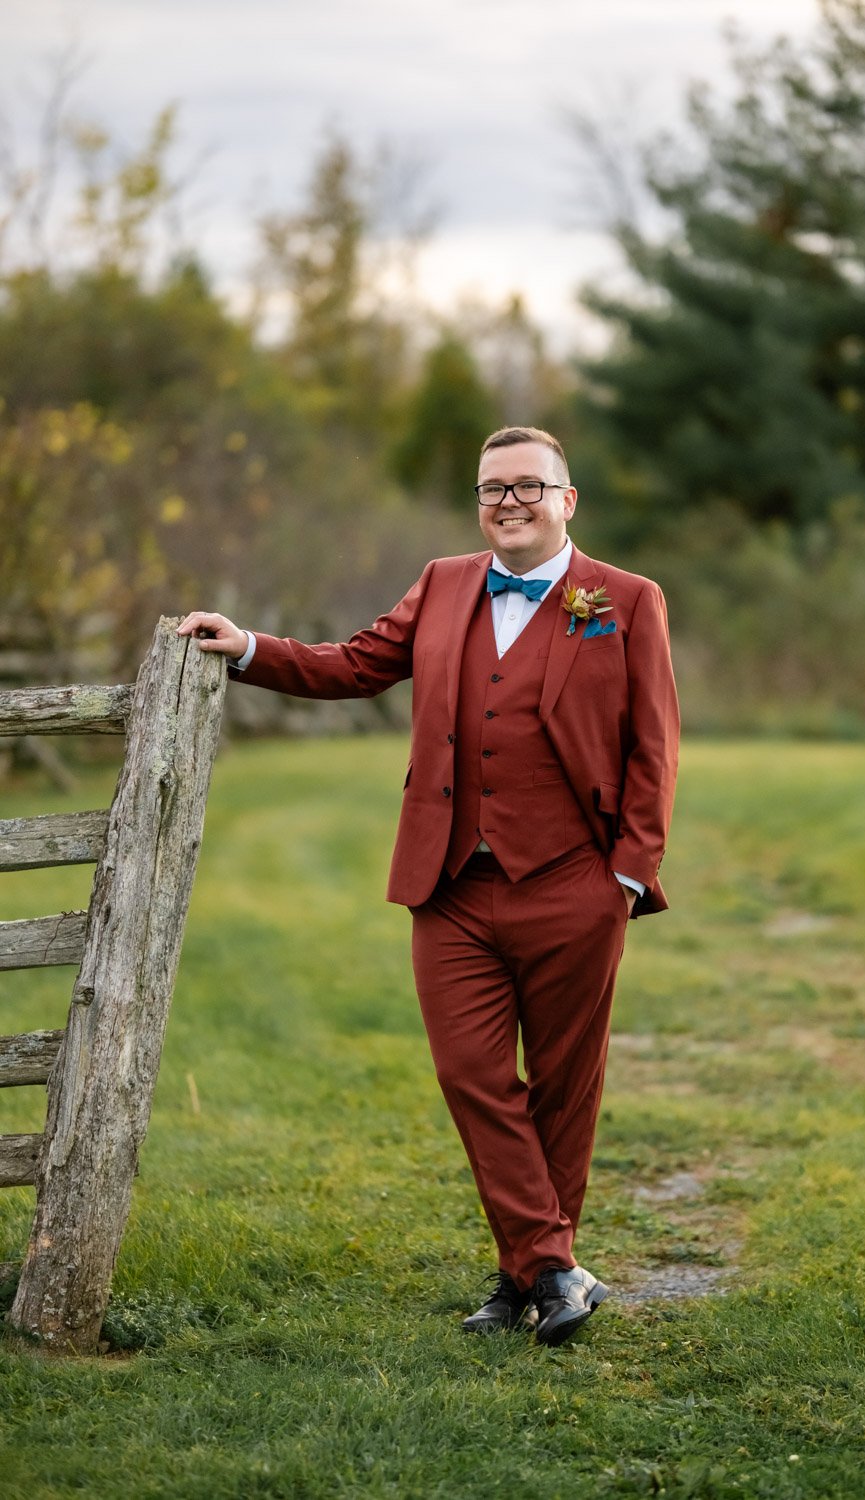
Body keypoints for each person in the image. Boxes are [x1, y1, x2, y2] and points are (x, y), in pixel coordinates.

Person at [177, 425, 679, 1347]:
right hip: (450, 884)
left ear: (569, 501)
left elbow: (654, 747)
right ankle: (556, 1268)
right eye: (493, 489)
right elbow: (357, 664)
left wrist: (626, 874)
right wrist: (248, 646)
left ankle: (524, 1278)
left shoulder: (625, 602)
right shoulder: (444, 582)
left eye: (531, 486)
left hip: (574, 884)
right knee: (473, 1075)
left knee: (564, 1087)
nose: (510, 503)